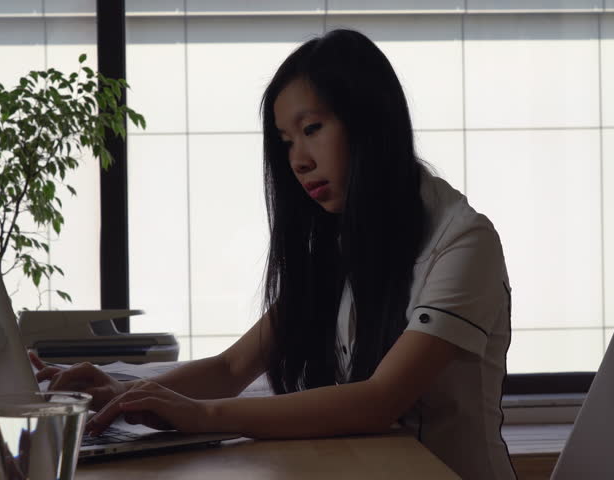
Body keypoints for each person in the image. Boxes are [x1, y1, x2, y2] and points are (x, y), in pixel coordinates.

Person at [34, 29, 515, 479]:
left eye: (312, 129)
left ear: (371, 120)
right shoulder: (340, 238)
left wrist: (199, 415)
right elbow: (231, 368)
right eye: (286, 142)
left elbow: (379, 399)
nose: (298, 161)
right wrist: (121, 395)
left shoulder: (464, 242)